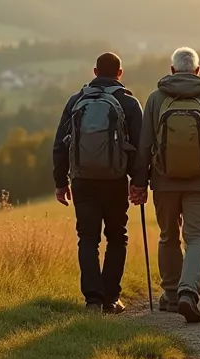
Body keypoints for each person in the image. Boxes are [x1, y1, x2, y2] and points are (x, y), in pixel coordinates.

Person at [129, 47, 200, 323]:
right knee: (197, 237)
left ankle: (172, 295)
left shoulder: (155, 99)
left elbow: (143, 146)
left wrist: (139, 183)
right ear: (198, 71)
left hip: (164, 181)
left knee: (168, 236)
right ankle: (189, 291)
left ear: (172, 70)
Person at [53, 52, 144, 314]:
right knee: (117, 237)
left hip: (82, 180)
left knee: (87, 239)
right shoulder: (128, 103)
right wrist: (138, 182)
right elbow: (140, 146)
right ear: (120, 73)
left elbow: (60, 145)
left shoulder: (76, 101)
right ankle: (110, 299)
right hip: (115, 181)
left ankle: (92, 299)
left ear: (94, 72)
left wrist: (61, 182)